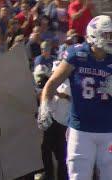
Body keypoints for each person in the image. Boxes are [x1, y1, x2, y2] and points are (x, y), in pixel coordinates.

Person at [39, 15, 112, 180]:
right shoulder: (76, 54)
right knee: (78, 176)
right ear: (94, 35)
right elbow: (51, 84)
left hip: (109, 131)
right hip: (81, 130)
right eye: (107, 35)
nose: (111, 39)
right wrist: (44, 107)